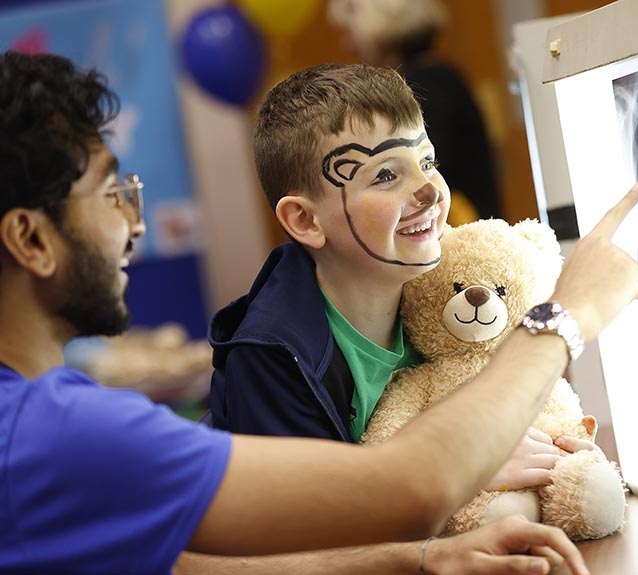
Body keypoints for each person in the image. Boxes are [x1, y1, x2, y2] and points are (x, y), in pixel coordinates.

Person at [0, 50, 638, 575]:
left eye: (425, 163)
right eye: (113, 193)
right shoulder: (67, 432)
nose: (132, 223)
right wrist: (567, 313)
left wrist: (424, 557)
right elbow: (404, 488)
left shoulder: (443, 292)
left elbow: (180, 562)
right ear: (31, 238)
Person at [209, 62, 604, 502]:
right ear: (305, 220)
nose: (430, 191)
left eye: (427, 161)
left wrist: (552, 446)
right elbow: (308, 527)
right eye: (385, 175)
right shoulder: (272, 358)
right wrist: (462, 467)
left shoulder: (454, 289)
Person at [328, 0, 501, 224]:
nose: (347, 45)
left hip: (460, 225)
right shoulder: (435, 73)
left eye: (349, 32)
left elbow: (423, 168)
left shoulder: (427, 83)